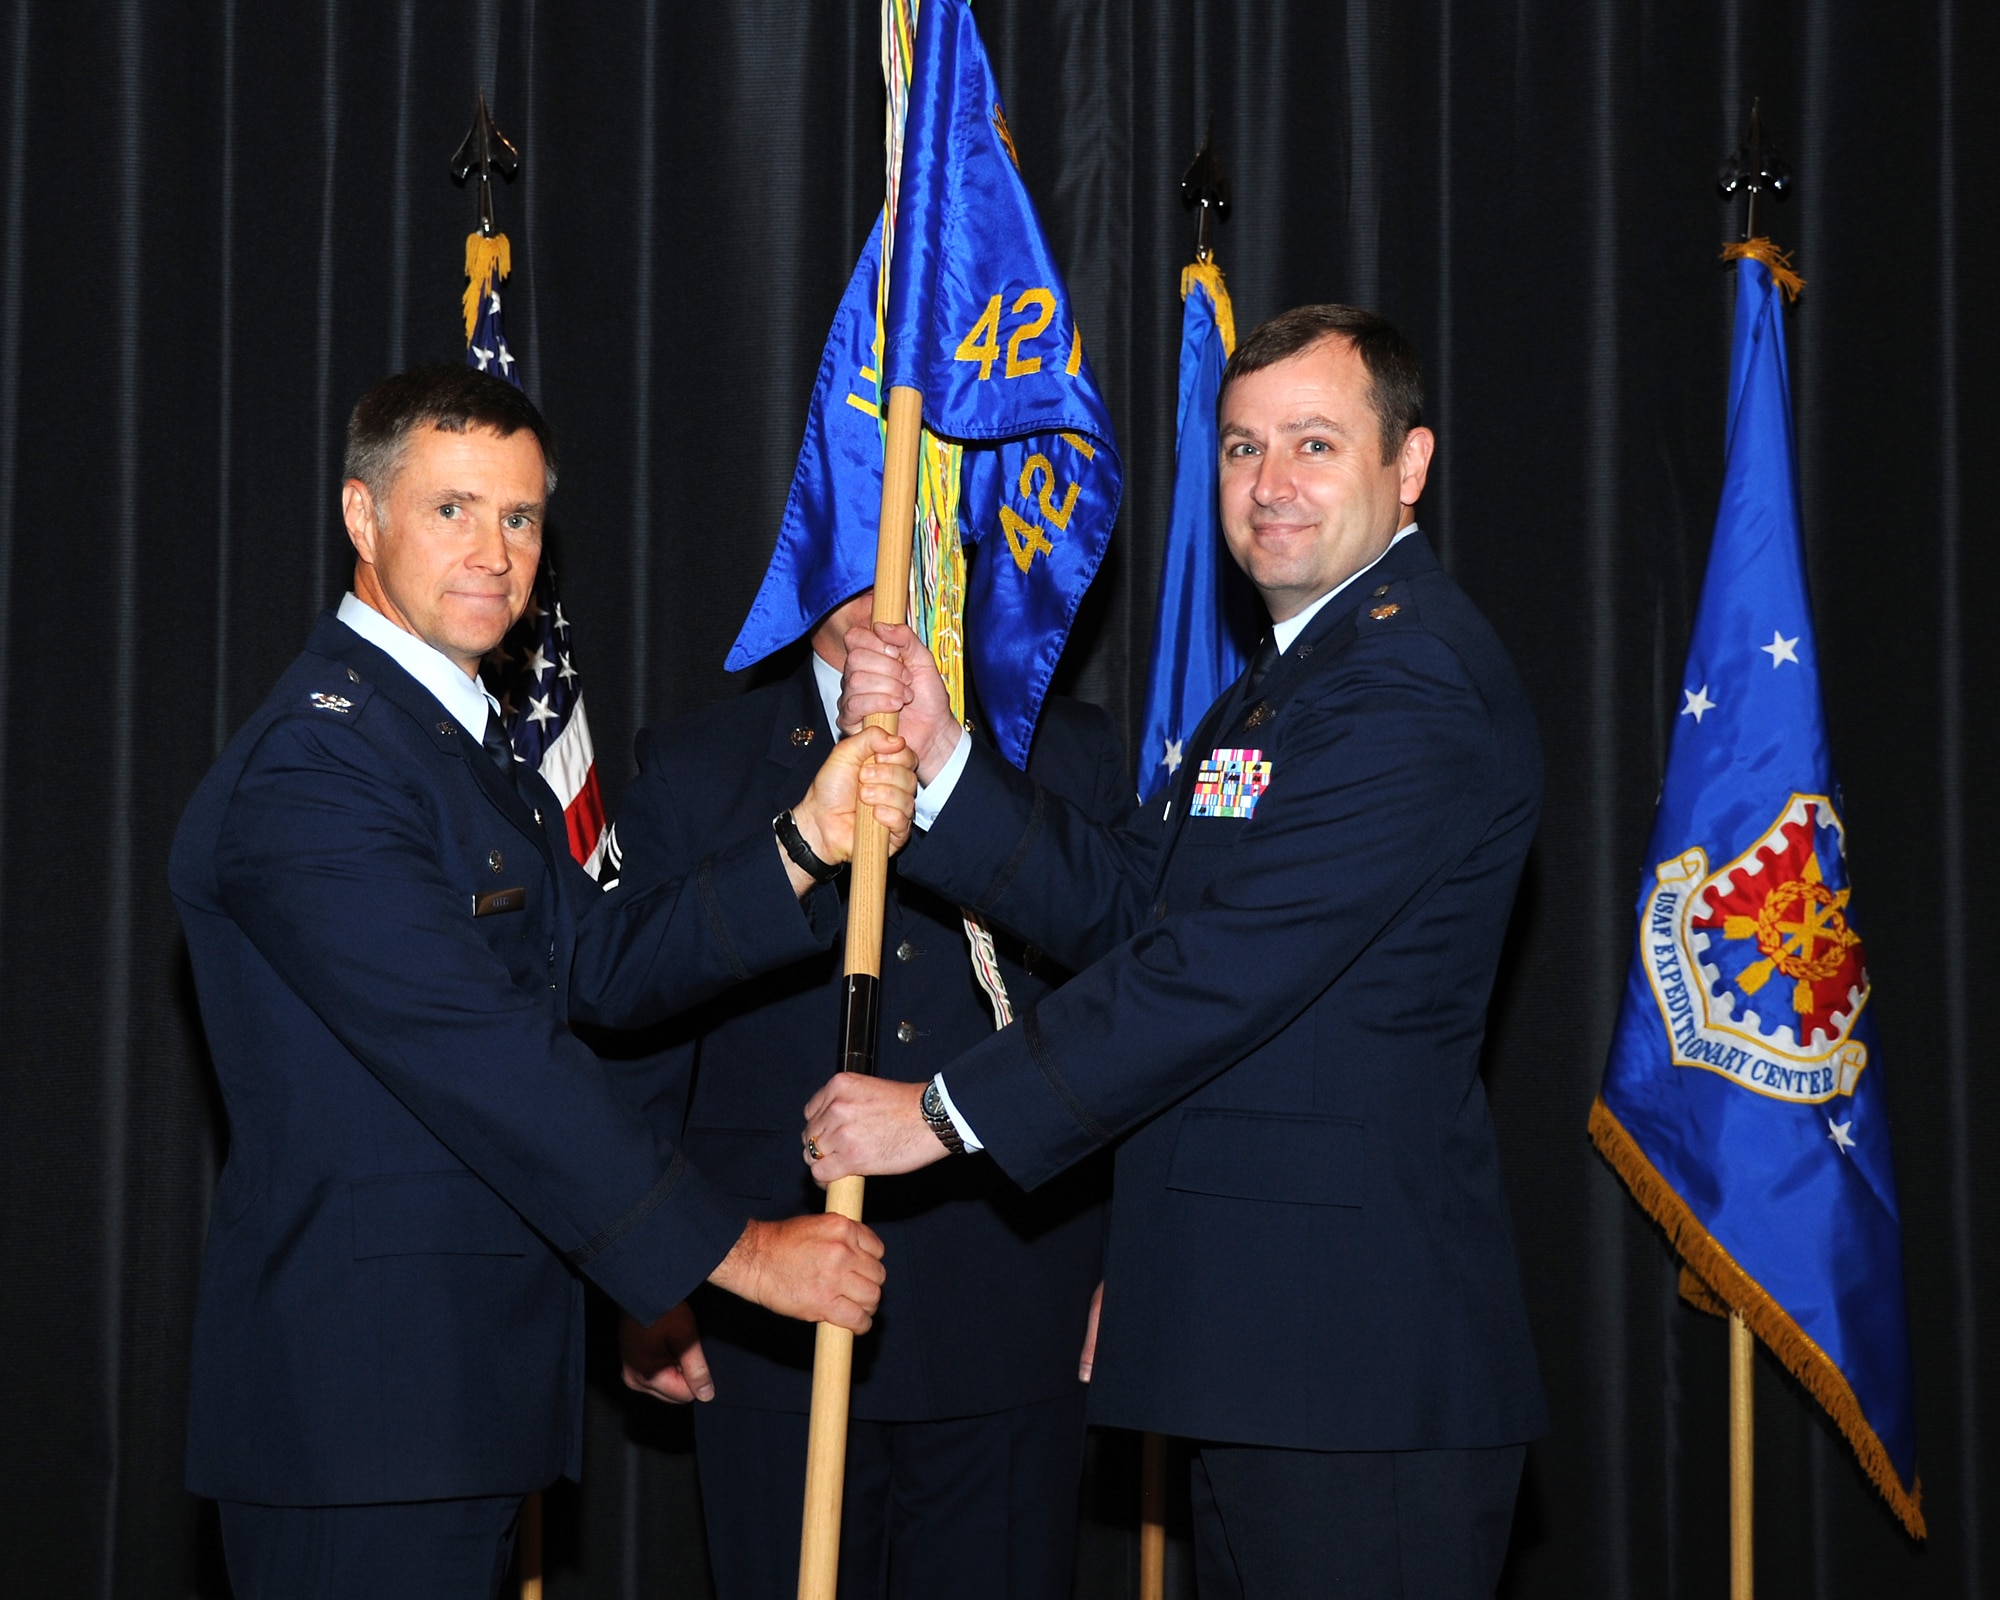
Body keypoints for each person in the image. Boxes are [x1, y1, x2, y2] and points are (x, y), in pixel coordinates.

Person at [805, 306, 1548, 1597]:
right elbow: (1135, 901)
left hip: (1355, 1373)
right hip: (1266, 1349)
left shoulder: (1410, 681)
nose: (1271, 485)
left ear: (1409, 465)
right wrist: (944, 762)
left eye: (1315, 444)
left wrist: (943, 1114)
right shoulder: (1286, 681)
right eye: (1243, 447)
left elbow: (1222, 967)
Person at [169, 365, 915, 1600]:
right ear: (363, 519)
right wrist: (736, 1250)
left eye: (518, 518)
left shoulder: (449, 741)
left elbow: (597, 962)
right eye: (452, 509)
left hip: (451, 1397)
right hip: (361, 1419)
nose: (494, 552)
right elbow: (488, 1060)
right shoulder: (318, 768)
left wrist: (802, 843)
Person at [611, 587, 1125, 1600]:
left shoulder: (1067, 754)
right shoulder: (693, 765)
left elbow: (1143, 1008)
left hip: (1018, 1312)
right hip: (765, 1321)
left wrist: (1145, 1254)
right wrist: (646, 1269)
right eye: (837, 532)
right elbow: (641, 1039)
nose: (873, 569)